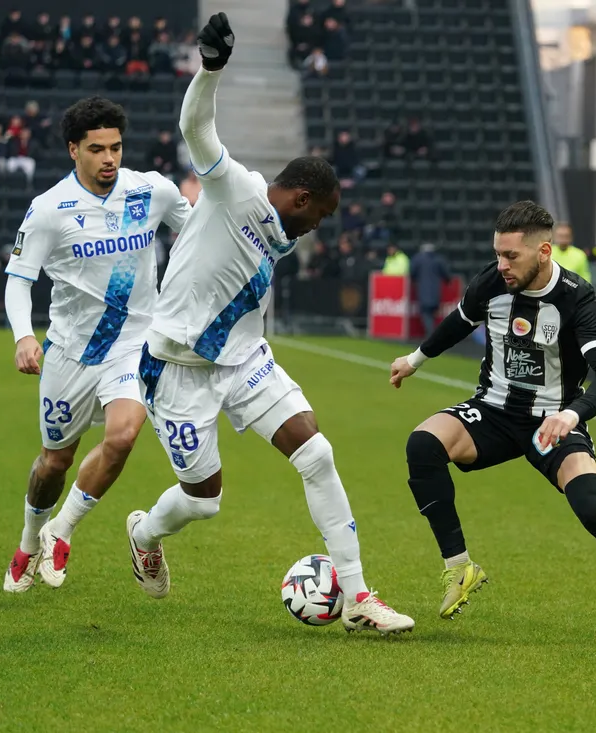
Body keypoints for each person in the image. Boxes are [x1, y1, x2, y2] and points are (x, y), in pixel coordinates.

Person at [125, 14, 414, 635]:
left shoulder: (284, 230)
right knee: (204, 500)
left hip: (245, 360)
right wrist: (210, 69)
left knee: (317, 453)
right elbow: (195, 129)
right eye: (322, 215)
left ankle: (358, 597)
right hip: (176, 368)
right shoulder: (236, 190)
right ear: (302, 199)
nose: (320, 227)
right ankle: (145, 534)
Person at [389, 201, 596, 646]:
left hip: (553, 421)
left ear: (544, 251)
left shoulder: (576, 296)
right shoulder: (492, 282)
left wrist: (572, 414)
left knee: (593, 507)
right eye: (498, 254)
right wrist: (414, 360)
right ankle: (459, 567)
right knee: (423, 443)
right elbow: (459, 322)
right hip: (493, 411)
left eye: (511, 256)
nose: (501, 265)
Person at [3, 97, 193, 593]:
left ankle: (62, 530)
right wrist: (24, 335)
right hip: (70, 352)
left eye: (116, 147)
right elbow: (18, 280)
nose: (109, 158)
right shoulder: (49, 209)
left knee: (124, 436)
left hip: (133, 344)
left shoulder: (151, 191)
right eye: (96, 149)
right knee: (54, 462)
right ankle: (29, 540)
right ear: (74, 150)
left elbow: (196, 234)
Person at [410, 242, 451, 337]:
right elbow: (446, 275)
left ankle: (431, 334)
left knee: (426, 313)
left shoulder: (418, 259)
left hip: (423, 290)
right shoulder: (439, 259)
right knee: (432, 312)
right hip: (436, 291)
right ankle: (433, 333)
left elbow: (412, 273)